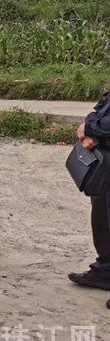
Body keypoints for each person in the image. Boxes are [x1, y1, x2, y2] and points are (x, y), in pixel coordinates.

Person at [68, 90, 110, 307]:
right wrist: (89, 130)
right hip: (105, 161)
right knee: (101, 216)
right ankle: (104, 271)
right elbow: (98, 110)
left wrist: (91, 129)